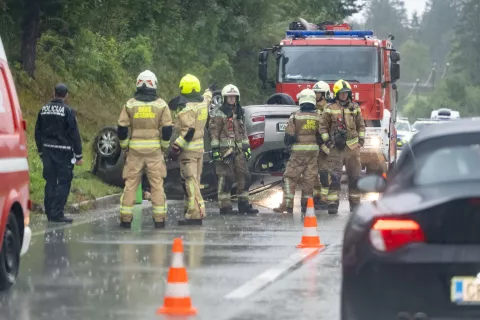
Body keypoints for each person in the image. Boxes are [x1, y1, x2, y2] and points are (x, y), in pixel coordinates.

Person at [117, 70, 173, 229]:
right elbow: (167, 130)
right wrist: (164, 147)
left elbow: (122, 128)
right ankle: (159, 219)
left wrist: (124, 146)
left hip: (134, 152)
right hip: (154, 152)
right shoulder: (161, 105)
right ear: (154, 84)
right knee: (156, 185)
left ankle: (126, 219)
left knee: (131, 185)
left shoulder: (130, 104)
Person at [34, 83, 83, 223]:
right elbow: (74, 133)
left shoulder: (43, 109)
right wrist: (78, 155)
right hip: (63, 153)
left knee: (50, 181)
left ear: (53, 92)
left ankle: (49, 212)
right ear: (66, 95)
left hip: (47, 151)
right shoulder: (67, 111)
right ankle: (57, 213)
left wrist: (41, 151)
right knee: (64, 182)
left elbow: (37, 132)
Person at [169, 74, 213, 225]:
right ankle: (189, 210)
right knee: (194, 181)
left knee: (190, 182)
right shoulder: (203, 103)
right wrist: (209, 91)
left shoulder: (188, 109)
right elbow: (207, 97)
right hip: (200, 149)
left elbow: (188, 132)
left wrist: (176, 147)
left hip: (188, 151)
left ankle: (196, 214)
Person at [209, 84, 259, 215]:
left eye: (234, 97)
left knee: (245, 177)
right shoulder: (218, 113)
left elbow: (244, 132)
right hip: (225, 152)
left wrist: (246, 147)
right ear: (225, 98)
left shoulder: (240, 112)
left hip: (239, 152)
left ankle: (244, 204)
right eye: (229, 97)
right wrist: (215, 150)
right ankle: (225, 207)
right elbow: (214, 133)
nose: (232, 99)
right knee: (226, 179)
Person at [319, 79, 365, 214]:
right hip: (335, 150)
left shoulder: (355, 108)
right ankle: (332, 205)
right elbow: (322, 128)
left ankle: (355, 206)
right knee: (334, 178)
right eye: (341, 93)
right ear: (337, 94)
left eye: (346, 93)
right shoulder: (329, 108)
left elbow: (361, 125)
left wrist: (360, 140)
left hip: (352, 149)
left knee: (355, 178)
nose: (344, 95)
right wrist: (328, 142)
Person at [273, 89, 322, 214]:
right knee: (309, 179)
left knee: (290, 178)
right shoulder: (318, 117)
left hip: (297, 154)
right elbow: (322, 137)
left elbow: (288, 137)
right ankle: (306, 205)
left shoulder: (295, 116)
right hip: (313, 153)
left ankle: (287, 205)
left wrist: (288, 146)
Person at [312, 81, 332, 210]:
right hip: (314, 146)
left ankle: (325, 198)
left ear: (325, 94)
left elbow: (333, 129)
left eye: (318, 93)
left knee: (325, 173)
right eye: (315, 93)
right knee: (313, 173)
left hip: (326, 146)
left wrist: (328, 146)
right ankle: (316, 197)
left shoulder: (329, 109)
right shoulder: (311, 108)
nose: (316, 95)